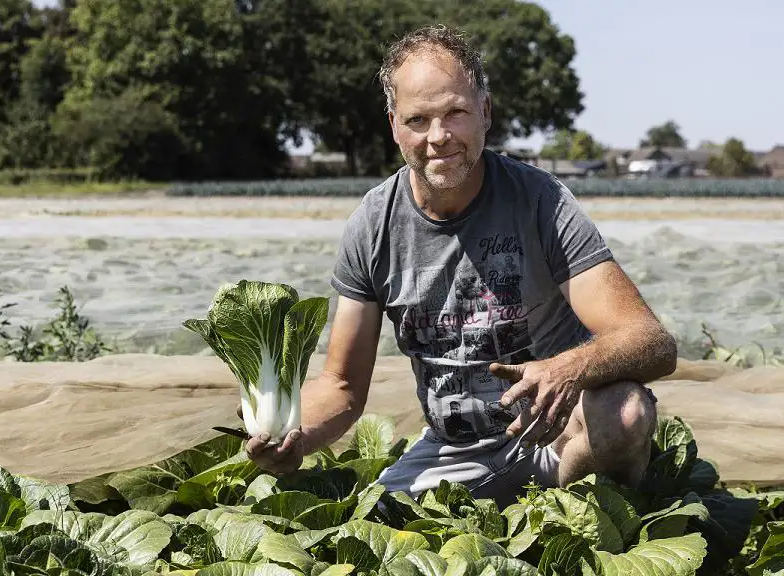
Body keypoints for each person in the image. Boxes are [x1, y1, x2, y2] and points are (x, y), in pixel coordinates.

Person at [242, 24, 678, 507]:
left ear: (485, 113)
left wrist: (566, 368)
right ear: (394, 126)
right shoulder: (372, 226)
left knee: (625, 413)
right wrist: (297, 437)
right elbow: (342, 385)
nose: (439, 137)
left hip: (560, 436)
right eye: (418, 119)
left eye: (456, 113)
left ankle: (577, 509)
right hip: (455, 452)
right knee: (369, 524)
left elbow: (651, 341)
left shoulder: (542, 203)